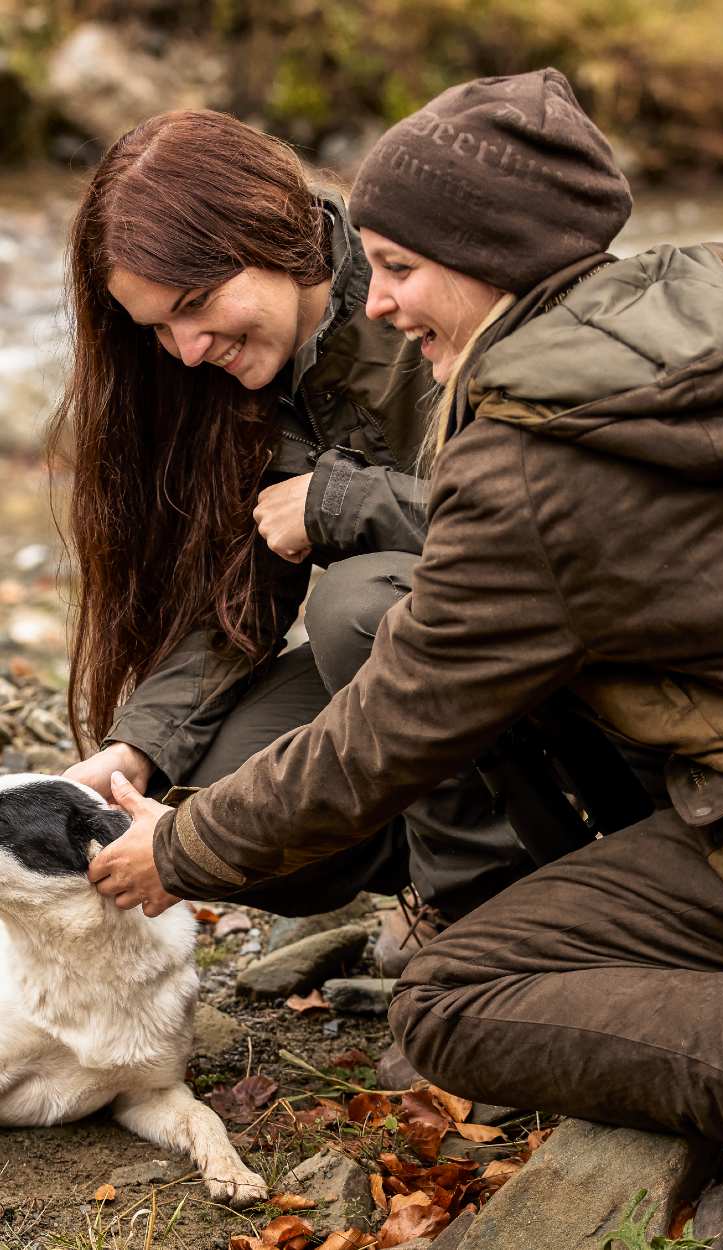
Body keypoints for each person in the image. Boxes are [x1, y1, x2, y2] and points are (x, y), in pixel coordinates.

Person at [87, 70, 723, 1238]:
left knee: (452, 996)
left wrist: (186, 847)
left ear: (493, 255)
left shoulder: (518, 461)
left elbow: (392, 729)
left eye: (403, 271)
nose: (380, 304)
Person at [51, 107, 529, 937]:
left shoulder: (429, 294)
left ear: (272, 233)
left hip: (564, 655)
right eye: (157, 327)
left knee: (358, 608)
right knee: (215, 780)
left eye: (197, 304)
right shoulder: (238, 375)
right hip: (467, 671)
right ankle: (450, 871)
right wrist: (140, 749)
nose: (188, 348)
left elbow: (559, 524)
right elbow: (239, 599)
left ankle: (490, 924)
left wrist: (338, 503)